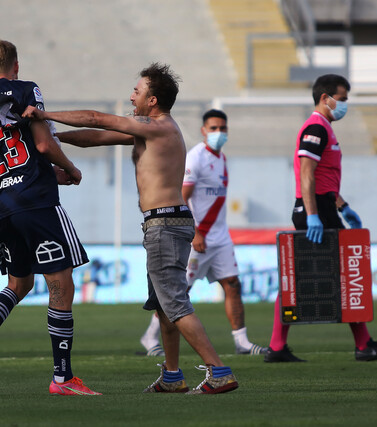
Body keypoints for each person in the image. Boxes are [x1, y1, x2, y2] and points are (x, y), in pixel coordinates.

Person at [25, 63, 239, 394]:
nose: (131, 96)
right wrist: (50, 137)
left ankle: (219, 371)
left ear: (152, 100)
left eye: (137, 91)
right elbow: (94, 137)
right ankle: (172, 376)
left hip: (165, 224)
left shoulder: (156, 126)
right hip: (167, 222)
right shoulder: (150, 128)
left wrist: (43, 115)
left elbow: (97, 119)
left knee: (174, 303)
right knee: (164, 304)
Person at [0, 40, 100, 396]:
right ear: (16, 66)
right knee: (61, 286)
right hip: (37, 203)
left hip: (4, 206)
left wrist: (46, 171)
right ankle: (62, 379)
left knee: (19, 285)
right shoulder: (25, 89)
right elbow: (44, 144)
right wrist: (71, 169)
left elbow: (6, 159)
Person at [264, 74, 377, 363]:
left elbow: (323, 179)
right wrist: (314, 215)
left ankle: (277, 347)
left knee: (303, 278)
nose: (345, 104)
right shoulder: (317, 127)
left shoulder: (323, 127)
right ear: (326, 98)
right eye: (343, 98)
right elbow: (307, 173)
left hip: (323, 207)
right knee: (344, 275)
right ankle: (363, 345)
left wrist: (342, 205)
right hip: (316, 212)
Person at [140, 110, 265, 357]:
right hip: (198, 238)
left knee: (233, 284)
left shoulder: (222, 159)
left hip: (220, 237)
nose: (219, 132)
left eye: (222, 128)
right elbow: (183, 197)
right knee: (177, 292)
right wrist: (194, 233)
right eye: (214, 128)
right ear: (203, 131)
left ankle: (242, 342)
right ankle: (150, 337)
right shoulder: (195, 158)